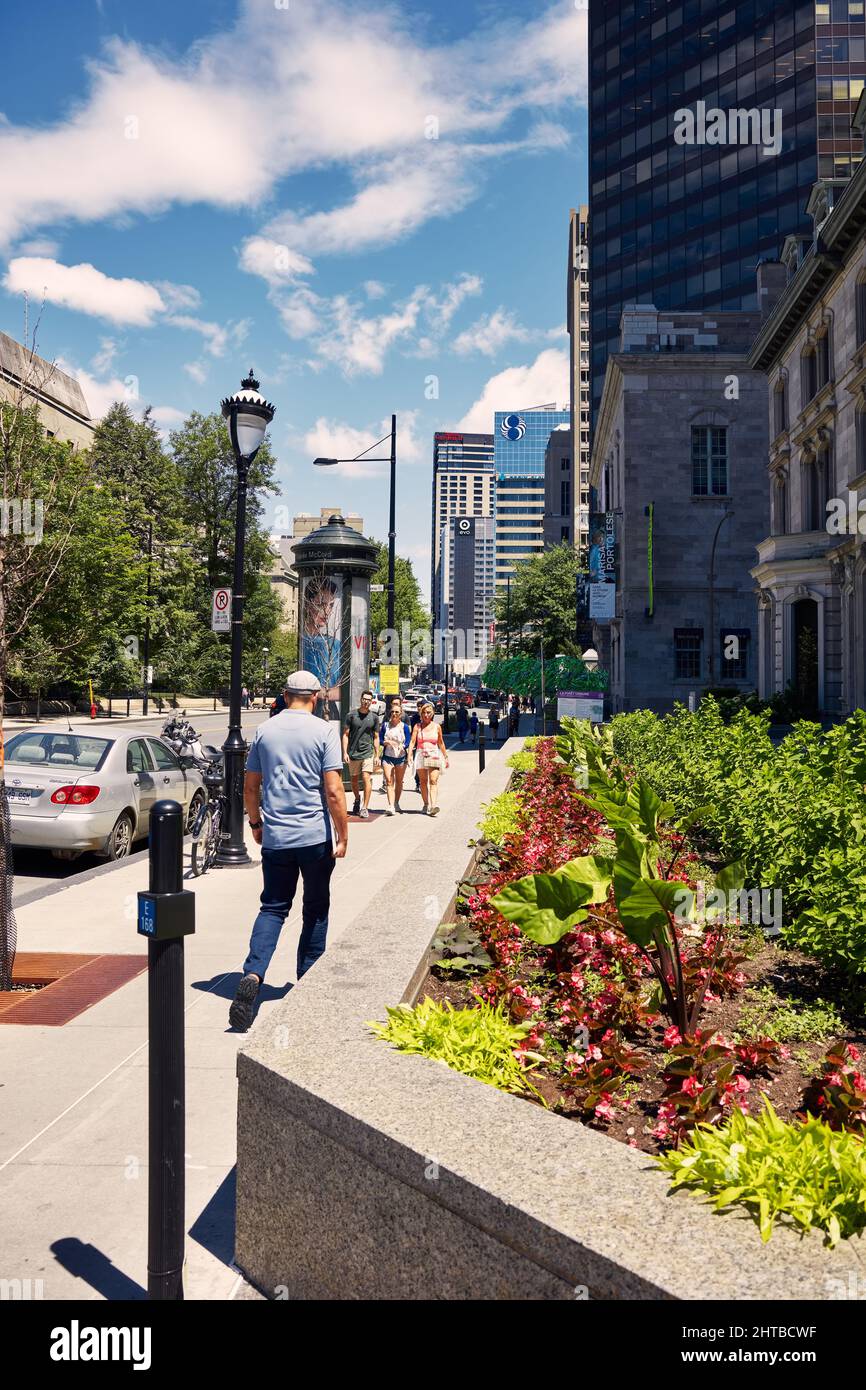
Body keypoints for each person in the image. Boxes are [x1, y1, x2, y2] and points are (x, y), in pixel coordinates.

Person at [229, 670, 348, 1032]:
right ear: (315, 697)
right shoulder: (324, 731)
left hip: (277, 837)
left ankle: (253, 972)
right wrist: (342, 835)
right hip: (313, 838)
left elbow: (250, 787)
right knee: (315, 907)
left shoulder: (266, 730)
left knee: (273, 908)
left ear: (284, 695)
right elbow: (333, 790)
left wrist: (255, 824)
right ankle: (309, 978)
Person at [342, 690, 380, 819]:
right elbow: (346, 735)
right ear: (361, 699)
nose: (366, 701)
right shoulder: (351, 715)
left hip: (367, 752)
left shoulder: (374, 717)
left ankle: (365, 807)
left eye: (369, 700)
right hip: (353, 753)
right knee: (354, 781)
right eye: (364, 699)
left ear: (371, 701)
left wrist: (376, 755)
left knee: (366, 778)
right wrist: (345, 752)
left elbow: (376, 737)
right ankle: (357, 798)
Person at [408, 700, 449, 815]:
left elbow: (440, 743)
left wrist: (445, 757)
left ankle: (433, 805)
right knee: (423, 781)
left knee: (433, 780)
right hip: (421, 754)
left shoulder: (437, 727)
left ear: (433, 713)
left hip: (434, 754)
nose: (426, 715)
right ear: (421, 714)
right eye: (424, 713)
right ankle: (426, 804)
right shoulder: (417, 726)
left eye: (429, 713)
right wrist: (409, 755)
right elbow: (412, 742)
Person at [380, 702, 411, 814]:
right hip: (387, 757)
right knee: (389, 781)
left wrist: (404, 746)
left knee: (399, 781)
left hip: (400, 757)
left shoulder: (404, 727)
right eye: (392, 711)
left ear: (401, 714)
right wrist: (385, 742)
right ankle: (391, 806)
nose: (394, 714)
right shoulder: (385, 725)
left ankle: (396, 802)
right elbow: (379, 739)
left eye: (397, 712)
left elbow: (408, 740)